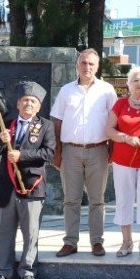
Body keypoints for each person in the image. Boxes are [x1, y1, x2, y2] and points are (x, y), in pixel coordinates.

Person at [51, 48, 117, 257]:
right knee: (71, 199)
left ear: (97, 67)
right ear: (77, 65)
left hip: (98, 150)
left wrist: (112, 151)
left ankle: (97, 241)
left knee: (97, 200)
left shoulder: (107, 90)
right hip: (70, 151)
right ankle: (70, 241)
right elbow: (57, 122)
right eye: (83, 63)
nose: (87, 67)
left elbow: (115, 121)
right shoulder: (66, 91)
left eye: (91, 64)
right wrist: (58, 152)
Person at [0, 81, 56, 279]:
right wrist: (1, 141)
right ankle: (5, 270)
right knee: (6, 231)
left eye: (33, 101)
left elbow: (48, 153)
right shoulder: (6, 124)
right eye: (25, 100)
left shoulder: (46, 125)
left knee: (30, 232)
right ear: (18, 103)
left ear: (39, 106)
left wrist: (22, 155)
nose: (28, 103)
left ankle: (28, 270)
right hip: (7, 186)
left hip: (31, 185)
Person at [105, 65, 140, 259]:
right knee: (124, 199)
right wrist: (126, 138)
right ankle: (126, 241)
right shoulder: (120, 104)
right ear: (128, 84)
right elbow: (109, 130)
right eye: (136, 80)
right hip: (123, 160)